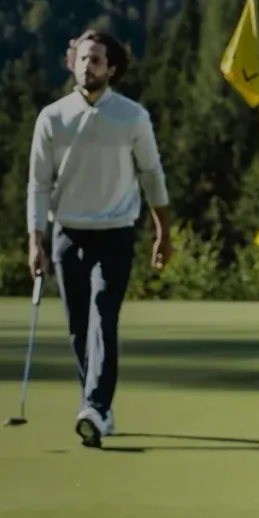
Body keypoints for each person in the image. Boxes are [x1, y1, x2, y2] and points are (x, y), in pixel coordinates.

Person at [27, 29, 174, 448]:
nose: (88, 65)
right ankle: (96, 406)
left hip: (116, 234)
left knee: (103, 317)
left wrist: (163, 230)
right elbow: (38, 185)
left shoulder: (132, 117)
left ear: (111, 68)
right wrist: (35, 239)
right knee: (78, 328)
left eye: (96, 60)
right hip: (67, 235)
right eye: (82, 58)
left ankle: (95, 405)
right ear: (73, 62)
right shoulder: (52, 118)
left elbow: (151, 174)